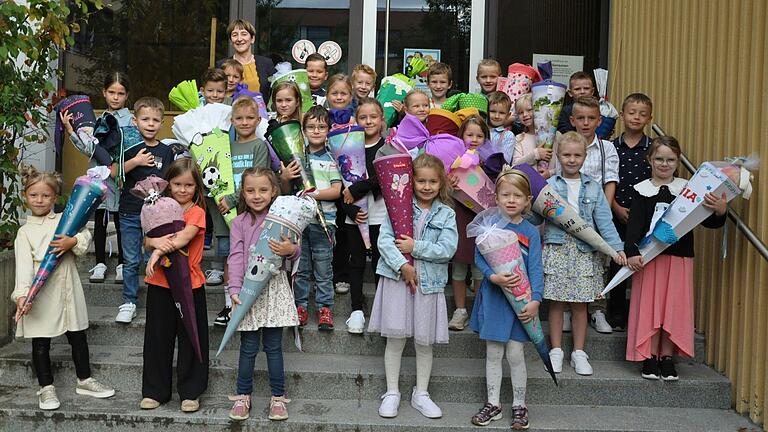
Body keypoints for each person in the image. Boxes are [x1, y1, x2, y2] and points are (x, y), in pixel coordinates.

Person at [12, 165, 115, 410]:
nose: (40, 200)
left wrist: (73, 241)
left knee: (77, 336)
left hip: (67, 288)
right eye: (34, 195)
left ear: (55, 197)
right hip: (41, 294)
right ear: (25, 196)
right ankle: (46, 388)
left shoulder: (64, 219)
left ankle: (85, 379)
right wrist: (23, 295)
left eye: (46, 195)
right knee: (41, 343)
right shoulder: (24, 232)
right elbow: (24, 268)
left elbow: (85, 237)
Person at [624, 136, 726, 380]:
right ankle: (648, 356)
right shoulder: (641, 189)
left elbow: (706, 220)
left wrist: (720, 211)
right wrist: (631, 252)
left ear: (678, 161)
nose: (664, 163)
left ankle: (666, 357)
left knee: (672, 307)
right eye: (659, 158)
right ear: (649, 159)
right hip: (649, 259)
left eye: (670, 159)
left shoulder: (688, 190)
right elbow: (635, 225)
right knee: (650, 306)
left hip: (679, 258)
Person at [369, 153, 458, 419]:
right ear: (412, 181)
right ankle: (392, 391)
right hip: (398, 280)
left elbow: (447, 249)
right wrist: (402, 265)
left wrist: (414, 248)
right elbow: (384, 241)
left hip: (427, 285)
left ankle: (421, 393)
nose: (427, 186)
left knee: (424, 342)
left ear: (441, 183)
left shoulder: (447, 214)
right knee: (395, 339)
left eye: (432, 182)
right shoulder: (397, 206)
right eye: (421, 181)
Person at [537, 132, 626, 376]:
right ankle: (556, 350)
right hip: (557, 248)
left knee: (580, 305)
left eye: (577, 155)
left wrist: (617, 248)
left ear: (585, 157)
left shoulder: (593, 187)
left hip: (585, 252)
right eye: (566, 155)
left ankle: (578, 352)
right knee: (556, 303)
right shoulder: (549, 185)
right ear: (558, 156)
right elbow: (536, 216)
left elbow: (604, 221)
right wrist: (527, 202)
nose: (572, 160)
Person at [468, 167, 542, 430]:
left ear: (527, 200)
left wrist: (536, 300)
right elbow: (478, 257)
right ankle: (493, 403)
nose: (511, 200)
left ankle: (520, 405)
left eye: (518, 196)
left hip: (520, 301)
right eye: (506, 195)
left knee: (515, 353)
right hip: (494, 298)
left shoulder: (531, 231)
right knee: (493, 352)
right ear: (496, 198)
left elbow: (535, 267)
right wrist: (491, 277)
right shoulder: (489, 225)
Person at [226, 168, 299, 421]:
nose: (257, 195)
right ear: (243, 193)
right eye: (250, 190)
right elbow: (235, 258)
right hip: (247, 291)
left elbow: (294, 251)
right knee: (247, 347)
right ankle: (243, 395)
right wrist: (234, 289)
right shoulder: (239, 223)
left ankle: (278, 397)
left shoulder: (281, 219)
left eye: (263, 190)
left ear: (274, 191)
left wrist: (291, 249)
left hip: (274, 288)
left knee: (273, 347)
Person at [140, 158, 209, 413]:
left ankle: (191, 391)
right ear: (168, 184)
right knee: (157, 337)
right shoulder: (157, 207)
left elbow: (184, 237)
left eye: (188, 185)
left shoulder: (197, 212)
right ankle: (155, 390)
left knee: (192, 338)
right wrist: (153, 244)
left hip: (189, 284)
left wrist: (157, 250)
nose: (182, 189)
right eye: (177, 184)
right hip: (160, 283)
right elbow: (147, 239)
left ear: (196, 187)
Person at [553, 96, 620, 334]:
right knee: (568, 270)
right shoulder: (563, 143)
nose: (585, 122)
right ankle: (569, 312)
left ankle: (598, 309)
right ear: (572, 120)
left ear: (599, 121)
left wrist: (604, 211)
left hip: (595, 210)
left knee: (596, 267)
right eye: (580, 118)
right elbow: (555, 175)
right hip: (565, 220)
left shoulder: (606, 147)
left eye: (591, 118)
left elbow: (610, 179)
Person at [60, 71, 131, 284]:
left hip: (120, 176)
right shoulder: (95, 120)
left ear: (127, 95)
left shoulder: (132, 120)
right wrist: (71, 130)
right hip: (99, 177)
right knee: (100, 220)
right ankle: (100, 263)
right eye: (111, 92)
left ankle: (122, 264)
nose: (115, 97)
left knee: (121, 221)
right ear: (104, 93)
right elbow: (88, 148)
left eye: (120, 93)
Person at [211, 97, 272, 327]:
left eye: (249, 118)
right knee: (230, 257)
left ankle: (250, 297)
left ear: (258, 120)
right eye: (239, 118)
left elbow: (258, 177)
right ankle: (230, 303)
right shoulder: (226, 146)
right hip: (224, 213)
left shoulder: (259, 146)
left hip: (249, 212)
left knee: (249, 255)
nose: (244, 122)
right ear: (231, 120)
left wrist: (233, 198)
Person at [115, 97, 175, 323]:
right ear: (135, 121)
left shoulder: (166, 151)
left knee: (156, 256)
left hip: (156, 217)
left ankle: (157, 299)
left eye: (155, 120)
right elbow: (115, 173)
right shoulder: (130, 147)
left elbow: (170, 182)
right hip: (130, 212)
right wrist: (136, 161)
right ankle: (129, 301)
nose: (150, 124)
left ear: (162, 123)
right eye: (145, 119)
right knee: (131, 259)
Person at [608, 93, 654, 330]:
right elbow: (604, 181)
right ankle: (615, 312)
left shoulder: (652, 149)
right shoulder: (611, 147)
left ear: (649, 118)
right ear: (622, 115)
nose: (636, 117)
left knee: (640, 261)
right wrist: (615, 207)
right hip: (616, 211)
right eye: (632, 112)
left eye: (642, 114)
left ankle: (639, 313)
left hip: (643, 217)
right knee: (617, 260)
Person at [341, 97, 386, 334]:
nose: (368, 121)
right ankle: (356, 310)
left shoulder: (388, 146)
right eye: (363, 117)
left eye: (373, 117)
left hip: (380, 215)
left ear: (381, 120)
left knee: (380, 262)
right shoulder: (347, 144)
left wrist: (358, 188)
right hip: (355, 216)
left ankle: (380, 310)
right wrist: (350, 208)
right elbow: (340, 180)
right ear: (355, 120)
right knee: (356, 262)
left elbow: (385, 177)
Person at [294, 106, 342, 330]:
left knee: (323, 270)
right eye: (311, 127)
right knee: (301, 268)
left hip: (325, 223)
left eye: (321, 127)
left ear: (329, 130)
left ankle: (324, 309)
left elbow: (336, 190)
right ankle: (300, 307)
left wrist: (316, 195)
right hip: (301, 223)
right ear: (303, 130)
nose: (316, 131)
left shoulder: (332, 158)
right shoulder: (297, 157)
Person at [447, 114, 489, 331]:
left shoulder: (490, 160)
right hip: (459, 216)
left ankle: (480, 310)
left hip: (482, 219)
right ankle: (460, 310)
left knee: (479, 268)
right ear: (461, 136)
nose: (474, 139)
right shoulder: (453, 160)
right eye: (469, 134)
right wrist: (449, 182)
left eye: (479, 135)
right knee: (459, 266)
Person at [219, 19, 277, 101]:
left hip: (260, 113)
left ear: (252, 39)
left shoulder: (266, 63)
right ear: (231, 41)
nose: (239, 39)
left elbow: (276, 92)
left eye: (244, 34)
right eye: (235, 35)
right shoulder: (221, 65)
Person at [511, 94, 552, 169]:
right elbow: (515, 166)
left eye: (529, 110)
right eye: (520, 112)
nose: (525, 115)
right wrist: (536, 154)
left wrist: (550, 173)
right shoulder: (519, 138)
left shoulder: (552, 134)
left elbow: (560, 165)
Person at [486, 91, 517, 160]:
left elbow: (505, 161)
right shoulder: (480, 131)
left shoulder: (508, 136)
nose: (497, 116)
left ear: (508, 116)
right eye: (493, 111)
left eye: (502, 113)